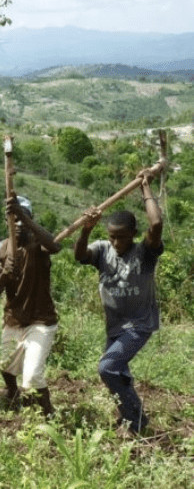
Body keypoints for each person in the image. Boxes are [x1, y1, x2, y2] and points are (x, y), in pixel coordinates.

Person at [74, 169, 163, 435]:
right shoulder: (102, 250)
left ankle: (136, 419)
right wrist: (86, 230)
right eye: (112, 236)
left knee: (107, 367)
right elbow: (80, 255)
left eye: (121, 237)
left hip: (138, 325)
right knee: (119, 371)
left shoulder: (144, 253)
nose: (115, 242)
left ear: (134, 234)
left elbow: (156, 225)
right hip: (114, 327)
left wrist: (145, 186)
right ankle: (130, 417)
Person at [0, 196, 61, 416]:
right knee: (6, 367)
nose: (18, 224)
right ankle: (13, 396)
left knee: (31, 377)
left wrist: (21, 214)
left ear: (30, 220)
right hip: (13, 319)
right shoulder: (0, 249)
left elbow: (55, 245)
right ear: (6, 222)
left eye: (23, 219)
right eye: (13, 219)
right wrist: (4, 274)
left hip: (40, 321)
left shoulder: (38, 244)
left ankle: (49, 414)